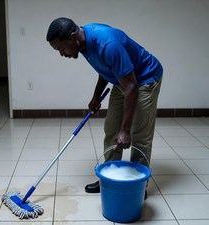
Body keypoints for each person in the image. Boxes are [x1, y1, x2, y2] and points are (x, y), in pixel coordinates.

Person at [46, 17, 163, 195]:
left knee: (139, 134)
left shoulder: (108, 44)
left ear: (73, 37)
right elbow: (105, 66)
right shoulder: (82, 44)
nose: (62, 54)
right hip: (122, 79)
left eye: (62, 48)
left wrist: (125, 130)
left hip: (144, 78)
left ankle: (138, 187)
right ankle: (110, 179)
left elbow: (131, 87)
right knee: (111, 129)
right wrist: (96, 96)